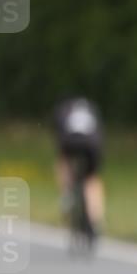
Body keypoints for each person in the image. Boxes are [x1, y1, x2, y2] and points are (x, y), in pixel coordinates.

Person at [53, 97, 105, 233]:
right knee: (92, 179)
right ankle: (95, 220)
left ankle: (66, 194)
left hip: (69, 141)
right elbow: (100, 131)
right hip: (91, 144)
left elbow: (58, 132)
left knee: (63, 161)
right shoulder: (92, 109)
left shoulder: (64, 109)